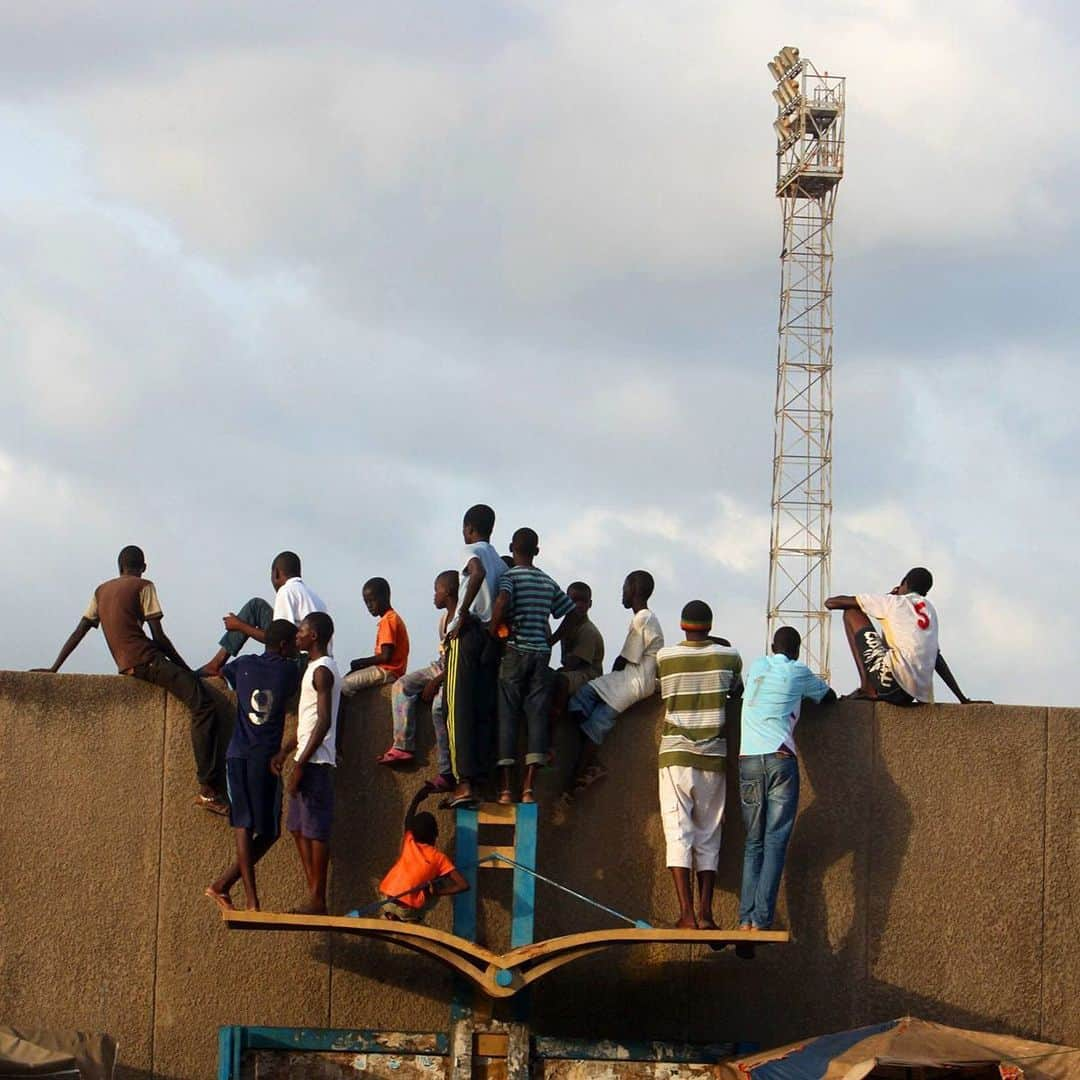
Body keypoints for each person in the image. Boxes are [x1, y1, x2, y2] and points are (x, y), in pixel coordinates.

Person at [34, 545, 229, 815]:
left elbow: (80, 631)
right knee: (204, 705)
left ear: (119, 567)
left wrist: (54, 667)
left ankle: (209, 789)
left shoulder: (100, 591)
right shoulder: (144, 586)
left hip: (127, 665)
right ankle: (208, 790)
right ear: (143, 567)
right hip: (147, 659)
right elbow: (158, 637)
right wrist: (188, 671)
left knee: (196, 695)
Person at [737, 626, 835, 949]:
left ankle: (744, 920)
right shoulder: (798, 671)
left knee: (753, 842)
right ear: (796, 650)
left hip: (748, 759)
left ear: (771, 646)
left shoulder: (757, 667)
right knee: (775, 841)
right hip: (780, 758)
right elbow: (828, 697)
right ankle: (761, 920)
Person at [655, 601, 743, 930]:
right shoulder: (730, 657)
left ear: (681, 626)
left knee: (678, 834)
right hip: (713, 756)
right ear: (710, 626)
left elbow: (658, 689)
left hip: (675, 756)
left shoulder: (666, 657)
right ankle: (706, 914)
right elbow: (737, 690)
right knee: (709, 835)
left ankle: (686, 914)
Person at [205, 620, 303, 912]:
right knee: (270, 830)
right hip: (266, 758)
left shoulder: (243, 664)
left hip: (237, 755)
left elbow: (219, 672)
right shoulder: (289, 671)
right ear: (285, 646)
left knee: (243, 824)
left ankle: (233, 891)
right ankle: (242, 896)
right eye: (294, 643)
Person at [489, 528, 579, 805]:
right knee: (537, 716)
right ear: (537, 551)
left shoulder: (509, 576)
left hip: (515, 651)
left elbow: (503, 601)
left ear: (511, 548)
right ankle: (528, 789)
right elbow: (572, 613)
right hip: (541, 655)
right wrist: (551, 638)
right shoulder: (547, 581)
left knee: (508, 716)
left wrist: (493, 628)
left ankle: (505, 790)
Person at [563, 570, 664, 797]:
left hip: (634, 680)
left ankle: (579, 776)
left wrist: (608, 678)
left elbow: (626, 659)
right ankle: (591, 762)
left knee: (596, 720)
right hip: (629, 677)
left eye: (625, 588)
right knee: (582, 702)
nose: (622, 593)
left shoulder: (643, 618)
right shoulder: (643, 617)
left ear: (634, 590)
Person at [825, 567, 980, 704]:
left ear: (903, 582)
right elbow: (936, 658)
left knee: (851, 612)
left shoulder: (893, 602)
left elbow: (831, 603)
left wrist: (888, 596)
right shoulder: (929, 610)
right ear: (925, 593)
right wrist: (962, 698)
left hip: (891, 684)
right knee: (895, 642)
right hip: (912, 693)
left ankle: (867, 688)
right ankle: (872, 687)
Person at [273, 612, 340, 915]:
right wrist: (285, 751)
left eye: (301, 630)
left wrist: (300, 765)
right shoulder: (313, 668)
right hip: (304, 756)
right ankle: (315, 894)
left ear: (314, 636)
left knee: (315, 830)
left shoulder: (323, 670)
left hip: (316, 761)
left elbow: (324, 721)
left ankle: (318, 898)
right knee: (297, 828)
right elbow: (308, 719)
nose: (296, 635)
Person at [444, 504, 506, 808]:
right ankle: (481, 781)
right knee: (482, 708)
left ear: (469, 528)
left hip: (468, 635)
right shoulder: (501, 562)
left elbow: (476, 573)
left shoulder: (471, 551)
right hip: (489, 637)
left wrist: (461, 613)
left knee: (456, 709)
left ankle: (462, 782)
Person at [378, 571, 459, 791]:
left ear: (449, 591)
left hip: (456, 670)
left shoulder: (463, 619)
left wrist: (436, 682)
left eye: (437, 589)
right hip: (441, 665)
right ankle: (403, 744)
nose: (434, 595)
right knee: (402, 685)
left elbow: (459, 660)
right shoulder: (444, 620)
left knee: (438, 708)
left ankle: (446, 771)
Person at [198, 551, 328, 676]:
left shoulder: (286, 591)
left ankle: (216, 665)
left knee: (244, 664)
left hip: (299, 661)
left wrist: (239, 625)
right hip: (318, 660)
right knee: (256, 606)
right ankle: (215, 664)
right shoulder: (316, 599)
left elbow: (279, 641)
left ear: (276, 573)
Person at [376, 785, 469, 922]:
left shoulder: (409, 842)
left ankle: (389, 914)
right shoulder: (439, 858)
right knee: (437, 883)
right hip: (408, 908)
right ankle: (412, 919)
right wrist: (437, 892)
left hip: (386, 899)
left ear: (413, 832)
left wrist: (418, 798)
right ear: (436, 833)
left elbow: (408, 818)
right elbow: (463, 885)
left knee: (422, 880)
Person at [341, 578, 410, 695]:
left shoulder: (388, 620)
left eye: (372, 601)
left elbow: (385, 657)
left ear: (385, 597)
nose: (369, 606)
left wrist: (360, 662)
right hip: (389, 670)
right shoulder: (391, 618)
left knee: (343, 685)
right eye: (366, 602)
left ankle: (344, 713)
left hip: (388, 670)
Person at [550, 581, 605, 719]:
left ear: (590, 604)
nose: (579, 605)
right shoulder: (569, 624)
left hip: (588, 675)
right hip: (573, 670)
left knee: (561, 680)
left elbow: (573, 664)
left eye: (583, 601)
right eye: (574, 600)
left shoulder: (588, 630)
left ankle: (556, 714)